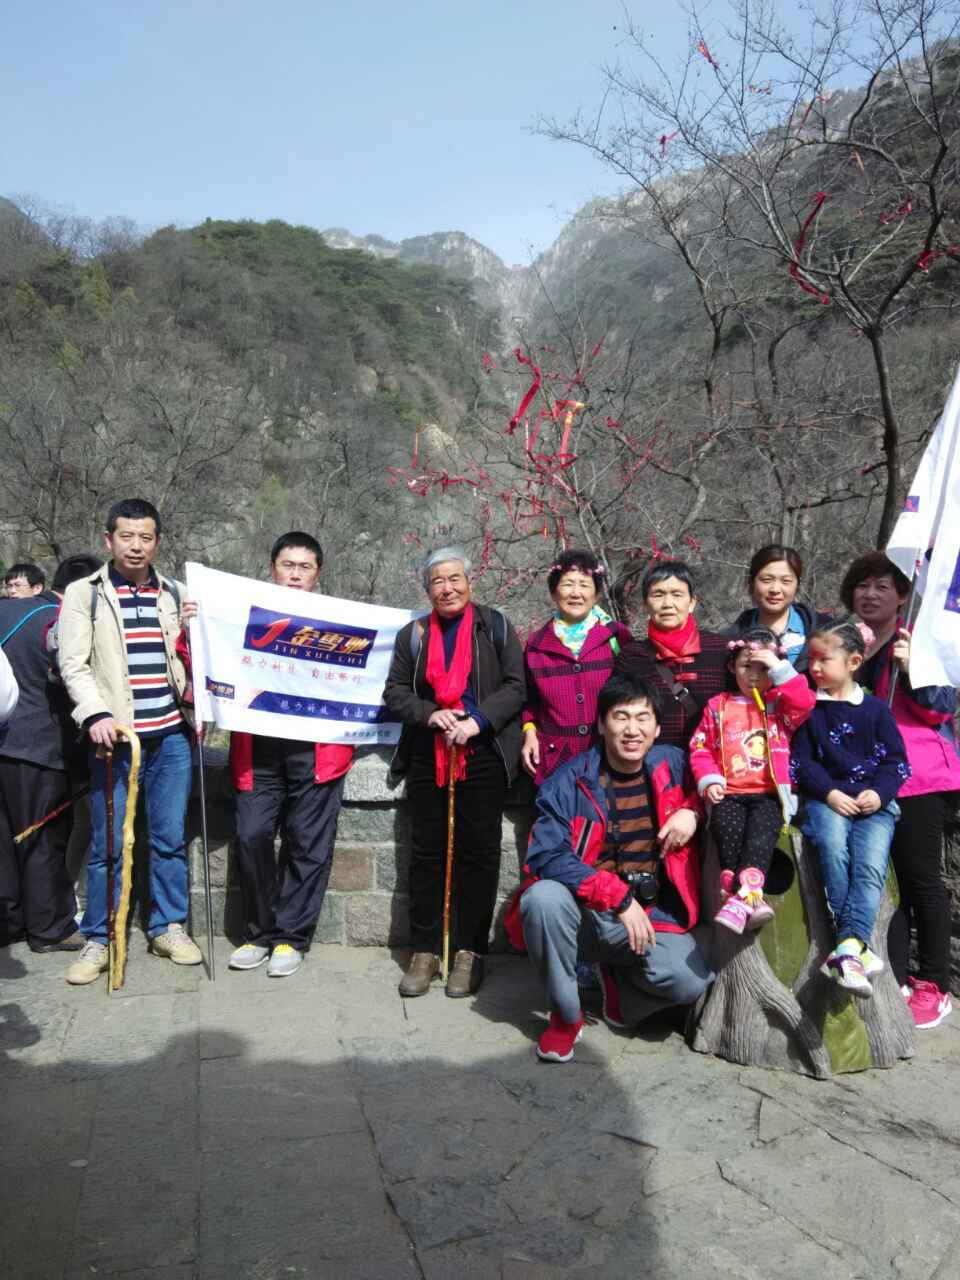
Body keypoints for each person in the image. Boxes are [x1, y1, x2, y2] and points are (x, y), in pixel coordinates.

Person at [519, 672, 712, 1062]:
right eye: (621, 717)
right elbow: (545, 855)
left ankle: (618, 988)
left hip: (652, 914)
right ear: (602, 725)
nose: (632, 729)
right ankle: (565, 1017)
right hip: (588, 914)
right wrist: (616, 896)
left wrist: (693, 810)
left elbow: (720, 783)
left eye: (642, 718)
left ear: (657, 728)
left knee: (690, 983)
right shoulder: (570, 781)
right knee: (541, 899)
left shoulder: (673, 764)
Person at [58, 498, 202, 985]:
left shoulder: (175, 593)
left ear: (157, 542)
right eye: (126, 536)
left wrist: (197, 629)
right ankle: (99, 938)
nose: (136, 546)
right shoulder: (85, 594)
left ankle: (168, 927)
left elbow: (190, 660)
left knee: (168, 839)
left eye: (145, 537)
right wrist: (95, 713)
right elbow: (73, 664)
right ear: (109, 540)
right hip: (114, 740)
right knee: (108, 845)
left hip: (170, 737)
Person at [384, 545, 525, 998]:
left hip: (482, 751)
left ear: (469, 581)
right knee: (427, 852)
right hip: (430, 753)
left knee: (478, 852)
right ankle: (425, 951)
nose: (447, 588)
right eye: (437, 582)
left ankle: (469, 950)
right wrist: (431, 713)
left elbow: (516, 686)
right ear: (427, 589)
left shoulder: (495, 626)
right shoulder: (414, 635)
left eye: (454, 579)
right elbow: (395, 692)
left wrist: (477, 720)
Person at [228, 533, 353, 978]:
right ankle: (258, 932)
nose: (295, 574)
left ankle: (290, 937)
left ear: (317, 573)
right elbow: (206, 654)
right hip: (258, 749)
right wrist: (194, 624)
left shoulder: (339, 619)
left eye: (304, 567)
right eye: (287, 564)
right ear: (272, 567)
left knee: (307, 844)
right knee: (251, 835)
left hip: (317, 751)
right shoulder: (244, 613)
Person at [844, 550, 959, 1028]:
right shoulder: (851, 642)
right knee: (879, 881)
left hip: (917, 777)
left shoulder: (916, 641)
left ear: (903, 595)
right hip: (865, 780)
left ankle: (933, 983)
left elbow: (941, 708)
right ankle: (890, 973)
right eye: (862, 585)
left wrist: (913, 668)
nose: (870, 594)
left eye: (882, 587)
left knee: (919, 880)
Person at [791, 620, 910, 997]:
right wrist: (828, 793)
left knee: (870, 866)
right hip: (827, 800)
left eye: (824, 659)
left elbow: (897, 762)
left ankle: (848, 945)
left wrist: (880, 793)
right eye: (811, 659)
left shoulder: (875, 710)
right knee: (831, 848)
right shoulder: (808, 708)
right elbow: (800, 761)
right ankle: (854, 946)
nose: (814, 667)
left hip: (875, 805)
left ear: (854, 661)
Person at [0, 557, 102, 953]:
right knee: (43, 838)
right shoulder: (58, 620)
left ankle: (9, 921)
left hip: (5, 741)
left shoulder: (7, 609)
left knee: (5, 839)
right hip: (38, 745)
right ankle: (50, 927)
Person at [689, 627, 815, 933]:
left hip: (769, 793)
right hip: (729, 792)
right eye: (747, 666)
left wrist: (779, 668)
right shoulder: (717, 706)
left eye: (763, 668)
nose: (754, 676)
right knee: (727, 830)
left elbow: (806, 702)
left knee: (761, 835)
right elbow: (700, 747)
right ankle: (749, 899)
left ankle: (737, 897)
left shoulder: (780, 704)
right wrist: (709, 779)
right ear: (732, 667)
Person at [520, 549, 632, 786]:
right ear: (553, 592)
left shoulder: (616, 637)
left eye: (584, 585)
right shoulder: (536, 645)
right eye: (568, 584)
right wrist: (529, 732)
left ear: (597, 594)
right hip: (556, 761)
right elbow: (529, 701)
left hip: (610, 757)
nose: (576, 593)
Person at [615, 559, 729, 748]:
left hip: (713, 760)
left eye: (677, 594)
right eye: (658, 595)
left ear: (692, 603)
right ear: (645, 604)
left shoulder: (721, 649)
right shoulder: (631, 657)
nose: (667, 603)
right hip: (654, 761)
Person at [728, 544, 832, 670]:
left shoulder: (828, 631)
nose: (775, 589)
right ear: (751, 582)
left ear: (797, 585)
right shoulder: (729, 640)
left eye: (786, 581)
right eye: (766, 580)